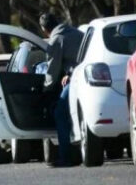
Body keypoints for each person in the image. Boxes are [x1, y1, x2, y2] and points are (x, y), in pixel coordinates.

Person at [39, 12, 84, 168]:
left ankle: (67, 157)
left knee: (60, 112)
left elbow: (52, 69)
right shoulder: (77, 32)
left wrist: (45, 88)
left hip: (76, 79)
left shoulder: (55, 39)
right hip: (89, 76)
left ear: (44, 29)